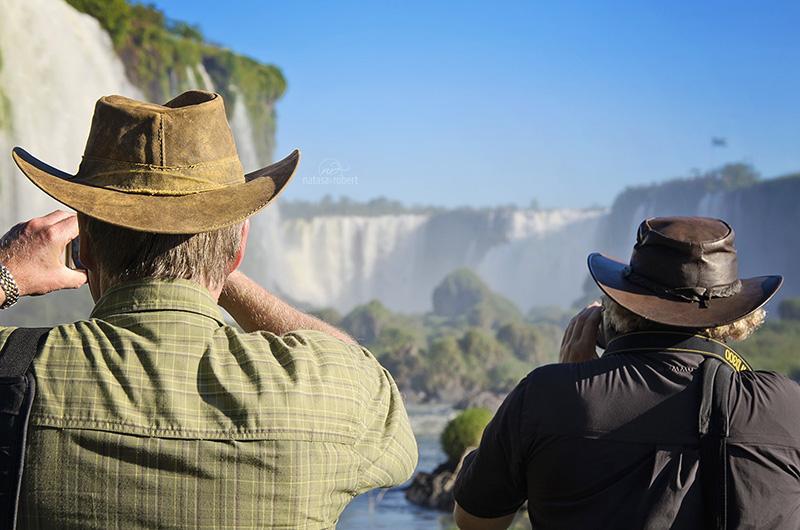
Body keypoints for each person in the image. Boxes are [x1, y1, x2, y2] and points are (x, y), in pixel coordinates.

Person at [0, 90, 417, 529]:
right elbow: (363, 374)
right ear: (238, 248)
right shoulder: (326, 390)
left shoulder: (14, 367)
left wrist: (7, 272)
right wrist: (214, 262)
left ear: (84, 245)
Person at [452, 216, 800, 529]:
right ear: (737, 318)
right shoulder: (787, 406)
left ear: (618, 306)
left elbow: (474, 521)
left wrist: (572, 391)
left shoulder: (545, 396)